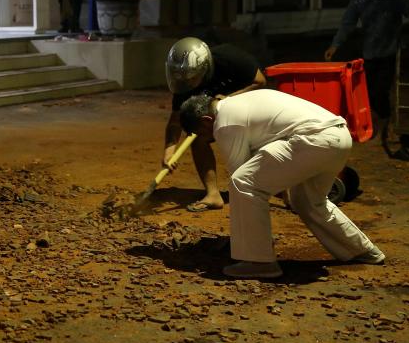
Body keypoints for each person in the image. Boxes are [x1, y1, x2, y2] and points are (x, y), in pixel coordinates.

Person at [179, 89, 386, 279]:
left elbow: (242, 176)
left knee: (243, 183)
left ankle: (259, 261)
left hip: (313, 140)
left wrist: (241, 237)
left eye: (203, 135)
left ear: (207, 121)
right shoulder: (239, 103)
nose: (207, 140)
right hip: (337, 136)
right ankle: (363, 251)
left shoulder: (224, 122)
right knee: (307, 201)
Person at [324, 0, 409, 143]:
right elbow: (347, 23)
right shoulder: (359, 1)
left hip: (390, 52)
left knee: (382, 89)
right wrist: (335, 45)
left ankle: (386, 122)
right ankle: (376, 123)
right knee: (368, 91)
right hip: (369, 52)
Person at [163, 37, 266, 211]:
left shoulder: (231, 58)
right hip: (213, 117)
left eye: (191, 79)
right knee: (195, 134)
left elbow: (260, 82)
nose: (187, 84)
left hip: (248, 110)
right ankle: (213, 194)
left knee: (259, 143)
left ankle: (281, 190)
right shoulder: (183, 82)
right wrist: (169, 149)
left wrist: (228, 100)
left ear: (205, 69)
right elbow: (175, 120)